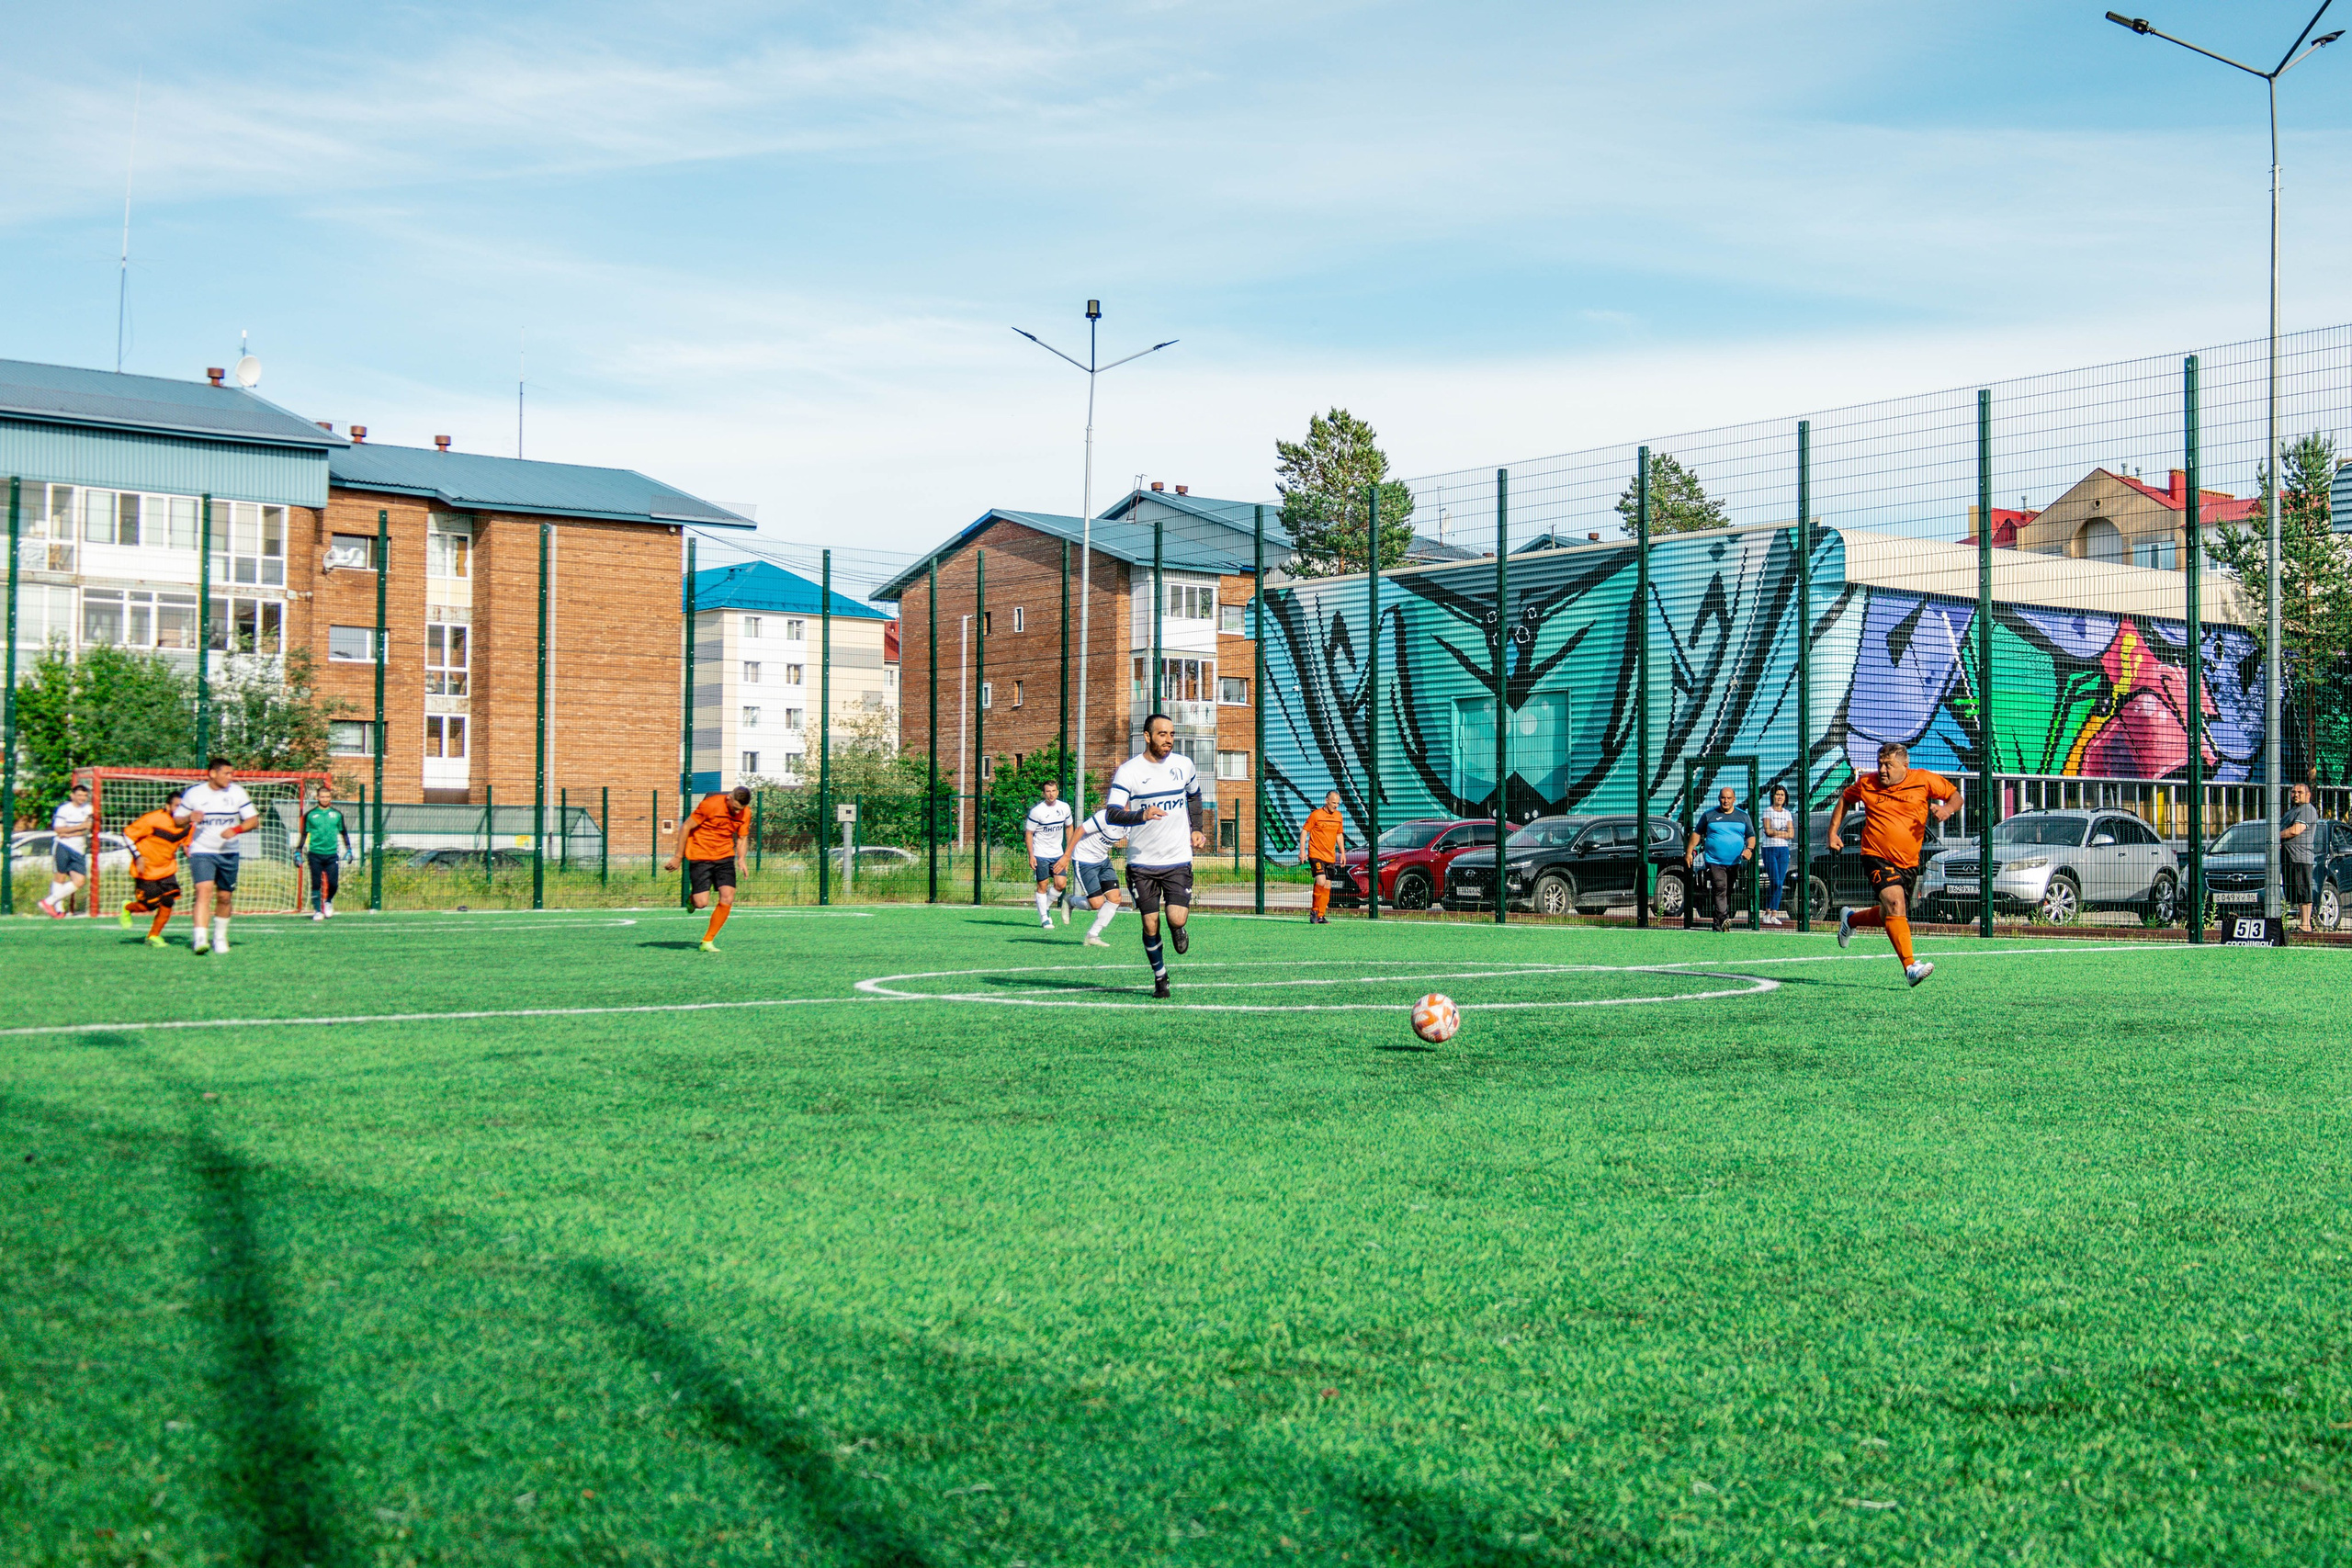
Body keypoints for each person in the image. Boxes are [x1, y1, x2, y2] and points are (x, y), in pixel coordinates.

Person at [1831, 741, 1959, 987]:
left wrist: (1948, 809)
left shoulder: (1924, 779)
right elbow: (1845, 800)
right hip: (1875, 855)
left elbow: (1956, 796)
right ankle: (1910, 966)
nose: (1882, 770)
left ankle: (1851, 920)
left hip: (1908, 863)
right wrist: (1833, 833)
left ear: (1904, 765)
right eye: (1880, 764)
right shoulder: (1867, 783)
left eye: (1888, 765)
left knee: (1888, 914)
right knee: (1895, 903)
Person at [1103, 714, 1207, 998]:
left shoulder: (1183, 765)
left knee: (1175, 918)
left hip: (1177, 858)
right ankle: (1160, 977)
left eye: (1172, 734)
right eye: (1162, 734)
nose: (1169, 739)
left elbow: (1194, 796)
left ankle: (1178, 928)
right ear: (1147, 737)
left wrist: (1196, 829)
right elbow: (1113, 813)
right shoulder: (1129, 771)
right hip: (1141, 862)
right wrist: (1141, 814)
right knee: (1150, 923)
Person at [183, 759, 261, 956]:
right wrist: (189, 817)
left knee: (225, 897)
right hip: (202, 851)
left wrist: (236, 829)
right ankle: (200, 938)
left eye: (231, 774)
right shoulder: (194, 793)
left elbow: (253, 820)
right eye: (226, 773)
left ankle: (219, 937)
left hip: (229, 853)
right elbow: (177, 819)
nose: (230, 777)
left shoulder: (237, 792)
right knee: (203, 891)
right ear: (212, 773)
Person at [664, 785, 752, 953]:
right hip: (700, 856)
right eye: (734, 808)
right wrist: (677, 857)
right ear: (728, 798)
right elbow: (686, 827)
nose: (736, 812)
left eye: (740, 810)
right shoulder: (710, 805)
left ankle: (707, 941)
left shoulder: (745, 813)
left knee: (728, 896)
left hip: (724, 857)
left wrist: (741, 859)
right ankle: (692, 899)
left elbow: (742, 838)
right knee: (701, 903)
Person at [119, 792, 196, 947]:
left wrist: (191, 852)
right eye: (177, 806)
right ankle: (127, 907)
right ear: (168, 807)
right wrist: (138, 856)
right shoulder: (152, 819)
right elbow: (127, 834)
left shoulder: (189, 825)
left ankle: (154, 935)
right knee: (148, 905)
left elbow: (188, 844)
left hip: (167, 869)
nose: (182, 810)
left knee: (168, 900)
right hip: (145, 870)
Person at [1685, 785, 1756, 932]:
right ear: (1719, 799)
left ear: (1734, 799)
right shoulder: (1709, 815)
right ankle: (1724, 918)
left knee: (1727, 891)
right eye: (1723, 798)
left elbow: (1751, 836)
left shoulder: (1743, 816)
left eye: (1729, 798)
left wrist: (1749, 849)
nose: (1726, 801)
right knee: (1720, 888)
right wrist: (1689, 851)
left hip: (1734, 862)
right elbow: (1697, 834)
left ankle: (1718, 924)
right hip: (1714, 860)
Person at [1056, 806, 1128, 947]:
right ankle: (1071, 900)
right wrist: (1066, 856)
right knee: (1097, 903)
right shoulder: (1105, 816)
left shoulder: (1131, 823)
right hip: (1084, 859)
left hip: (1102, 860)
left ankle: (1092, 935)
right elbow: (1079, 830)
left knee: (1115, 898)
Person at [1024, 778, 1078, 930]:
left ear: (1057, 792)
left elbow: (1069, 827)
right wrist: (1031, 855)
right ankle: (1044, 918)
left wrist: (1068, 852)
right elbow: (1029, 834)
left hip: (1058, 854)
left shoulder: (1064, 808)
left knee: (1060, 885)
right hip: (1040, 853)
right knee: (1043, 885)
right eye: (1048, 791)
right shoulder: (1037, 812)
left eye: (1053, 791)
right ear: (1043, 793)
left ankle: (1045, 906)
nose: (1051, 794)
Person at [39, 781, 94, 918]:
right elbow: (58, 830)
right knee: (60, 876)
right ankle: (59, 910)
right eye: (79, 795)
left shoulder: (89, 808)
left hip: (79, 848)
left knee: (80, 880)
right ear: (72, 795)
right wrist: (79, 827)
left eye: (85, 795)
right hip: (63, 846)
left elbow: (88, 827)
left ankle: (48, 901)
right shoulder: (64, 809)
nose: (82, 798)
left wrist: (70, 832)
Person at [301, 783, 355, 920]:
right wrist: (297, 851)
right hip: (315, 854)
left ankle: (328, 901)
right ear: (317, 797)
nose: (325, 799)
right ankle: (318, 911)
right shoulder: (310, 815)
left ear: (330, 798)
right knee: (316, 883)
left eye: (327, 797)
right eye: (322, 797)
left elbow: (344, 833)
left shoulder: (337, 815)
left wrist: (348, 849)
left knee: (333, 883)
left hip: (331, 854)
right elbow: (304, 834)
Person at [1300, 791, 1346, 925]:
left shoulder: (1338, 816)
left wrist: (1342, 853)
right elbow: (1305, 831)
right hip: (1316, 854)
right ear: (1326, 801)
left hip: (1330, 856)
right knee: (1320, 880)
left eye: (1338, 803)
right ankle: (1314, 911)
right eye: (1333, 803)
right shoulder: (1316, 815)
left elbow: (1339, 835)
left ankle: (1321, 915)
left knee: (1327, 884)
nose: (1336, 806)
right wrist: (1302, 851)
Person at [2282, 781, 2321, 934]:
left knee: (2303, 890)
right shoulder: (2291, 811)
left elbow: (2295, 830)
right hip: (2289, 857)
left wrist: (2275, 836)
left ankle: (2306, 925)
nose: (2296, 795)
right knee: (2295, 891)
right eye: (2293, 792)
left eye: (2300, 792)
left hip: (2300, 857)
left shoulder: (2307, 810)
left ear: (2308, 795)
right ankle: (2302, 923)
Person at [1758, 784, 1797, 926]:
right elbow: (1768, 831)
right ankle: (1768, 911)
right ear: (1773, 796)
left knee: (1780, 883)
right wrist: (1783, 833)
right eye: (1777, 794)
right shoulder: (1767, 811)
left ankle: (1772, 912)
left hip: (1783, 850)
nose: (1779, 797)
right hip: (1769, 849)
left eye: (1782, 795)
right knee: (1774, 880)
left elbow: (1791, 834)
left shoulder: (1787, 813)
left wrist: (1779, 833)